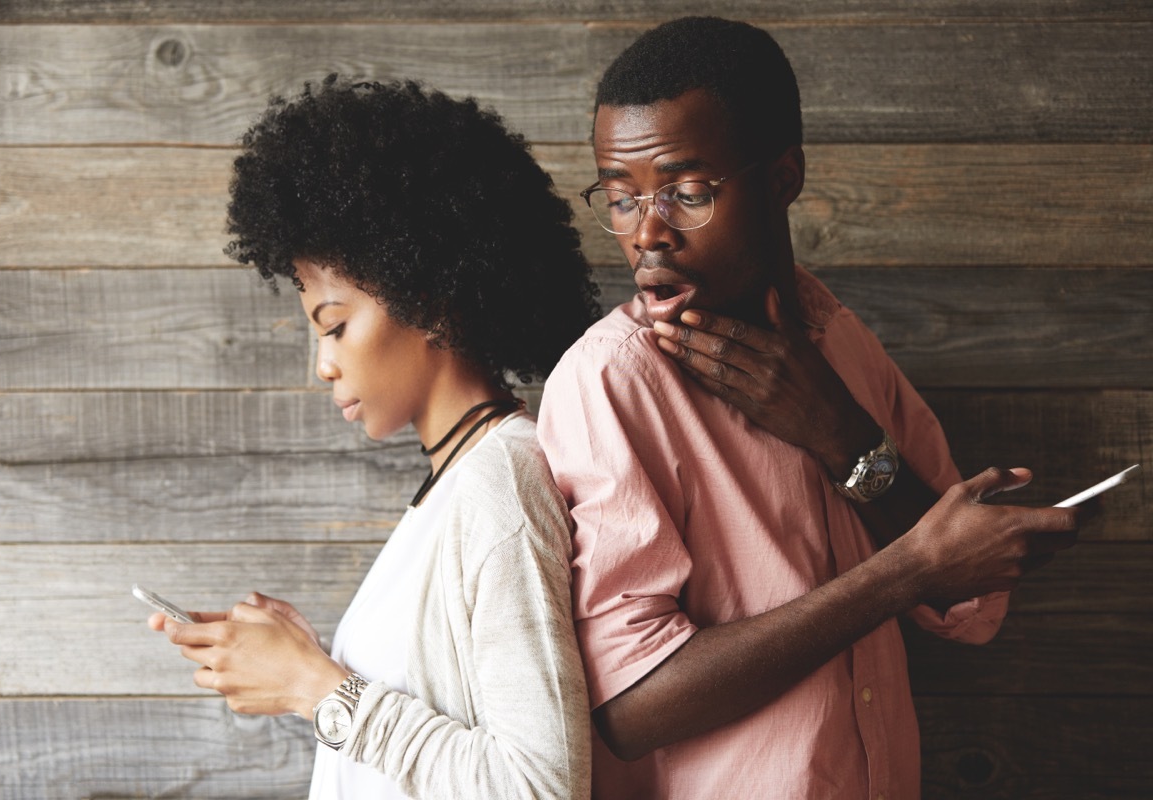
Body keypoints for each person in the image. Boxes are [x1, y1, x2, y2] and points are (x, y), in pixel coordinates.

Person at [535, 16, 1082, 799]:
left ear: (783, 178)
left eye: (687, 193)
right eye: (620, 200)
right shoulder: (611, 386)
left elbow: (972, 606)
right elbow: (629, 702)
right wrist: (904, 572)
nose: (646, 234)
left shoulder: (848, 348)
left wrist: (844, 435)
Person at [148, 76, 598, 799]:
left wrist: (315, 687)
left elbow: (539, 786)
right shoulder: (453, 486)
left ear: (433, 298)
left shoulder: (500, 484)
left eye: (333, 325)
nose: (322, 363)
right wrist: (302, 660)